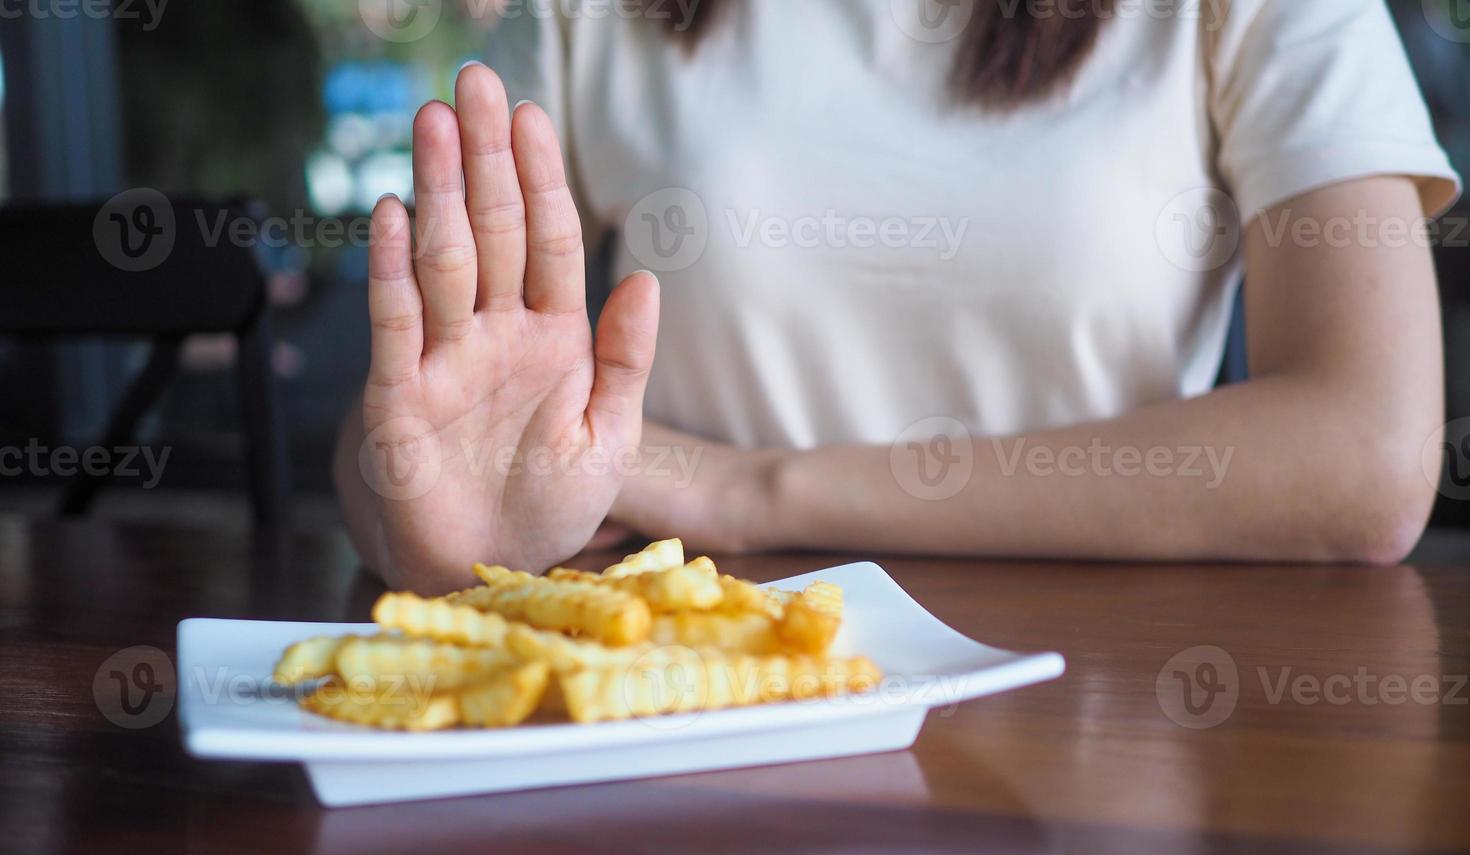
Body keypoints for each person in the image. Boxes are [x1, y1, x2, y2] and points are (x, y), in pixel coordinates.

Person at [334, 0, 1462, 592]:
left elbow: (1364, 453)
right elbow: (427, 427)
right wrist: (438, 527)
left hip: (1114, 698)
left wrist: (755, 492)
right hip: (705, 701)